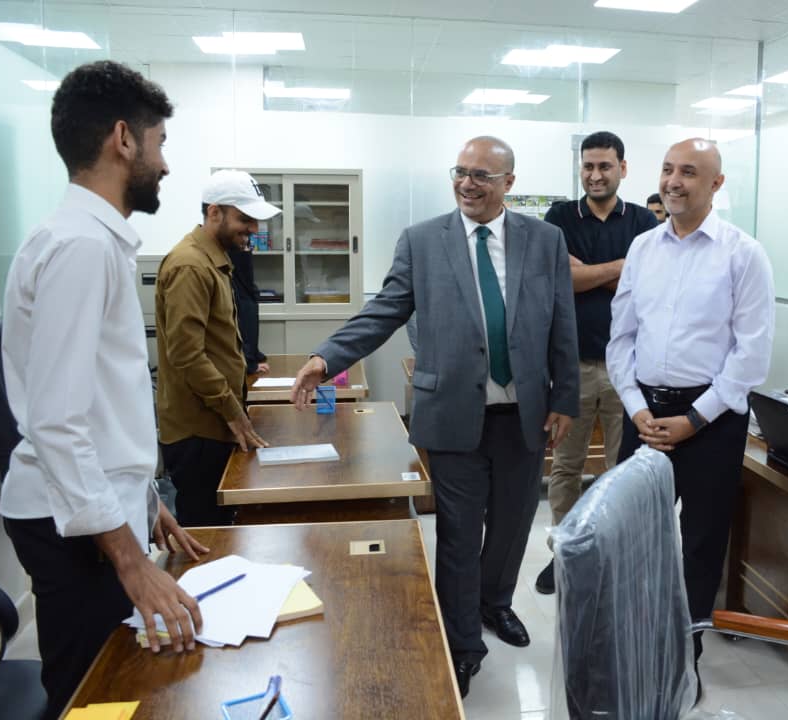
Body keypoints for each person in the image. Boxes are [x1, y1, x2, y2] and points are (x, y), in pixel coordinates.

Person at [289, 136, 579, 698]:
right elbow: (385, 310)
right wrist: (327, 358)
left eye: (482, 176)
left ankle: (495, 604)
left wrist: (565, 397)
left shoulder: (544, 240)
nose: (467, 184)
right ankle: (463, 643)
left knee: (514, 524)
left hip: (524, 415)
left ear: (509, 183)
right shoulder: (423, 241)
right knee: (459, 534)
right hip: (452, 414)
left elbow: (561, 321)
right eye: (461, 172)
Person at [0, 60, 208, 719]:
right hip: (71, 526)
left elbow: (99, 404)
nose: (165, 164)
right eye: (160, 143)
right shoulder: (81, 247)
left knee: (118, 686)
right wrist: (131, 561)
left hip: (92, 511)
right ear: (123, 139)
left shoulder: (88, 239)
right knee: (96, 696)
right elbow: (57, 422)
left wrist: (143, 498)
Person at [607, 138, 774, 659]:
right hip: (644, 415)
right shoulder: (642, 248)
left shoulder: (743, 254)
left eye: (688, 172)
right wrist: (637, 408)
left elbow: (751, 355)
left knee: (701, 543)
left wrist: (695, 419)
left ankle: (686, 655)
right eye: (667, 169)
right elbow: (621, 338)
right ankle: (637, 648)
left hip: (711, 419)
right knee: (632, 537)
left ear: (716, 184)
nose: (673, 182)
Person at [536, 131, 658, 594]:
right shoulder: (560, 217)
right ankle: (566, 554)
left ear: (622, 169)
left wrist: (585, 271)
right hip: (573, 367)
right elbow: (560, 280)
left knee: (621, 471)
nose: (595, 175)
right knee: (566, 467)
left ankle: (611, 556)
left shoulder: (644, 219)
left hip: (630, 369)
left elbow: (647, 285)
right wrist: (621, 268)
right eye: (588, 166)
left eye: (605, 166)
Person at [156, 170, 277, 526]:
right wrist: (232, 411)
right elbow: (187, 354)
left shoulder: (214, 261)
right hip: (198, 431)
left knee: (223, 527)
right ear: (214, 213)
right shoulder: (191, 266)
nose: (253, 229)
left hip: (213, 425)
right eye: (244, 219)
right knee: (206, 534)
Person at [230, 244, 270, 376]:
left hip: (246, 363)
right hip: (237, 370)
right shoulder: (235, 293)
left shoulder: (247, 292)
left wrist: (254, 356)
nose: (248, 251)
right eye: (243, 249)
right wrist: (249, 365)